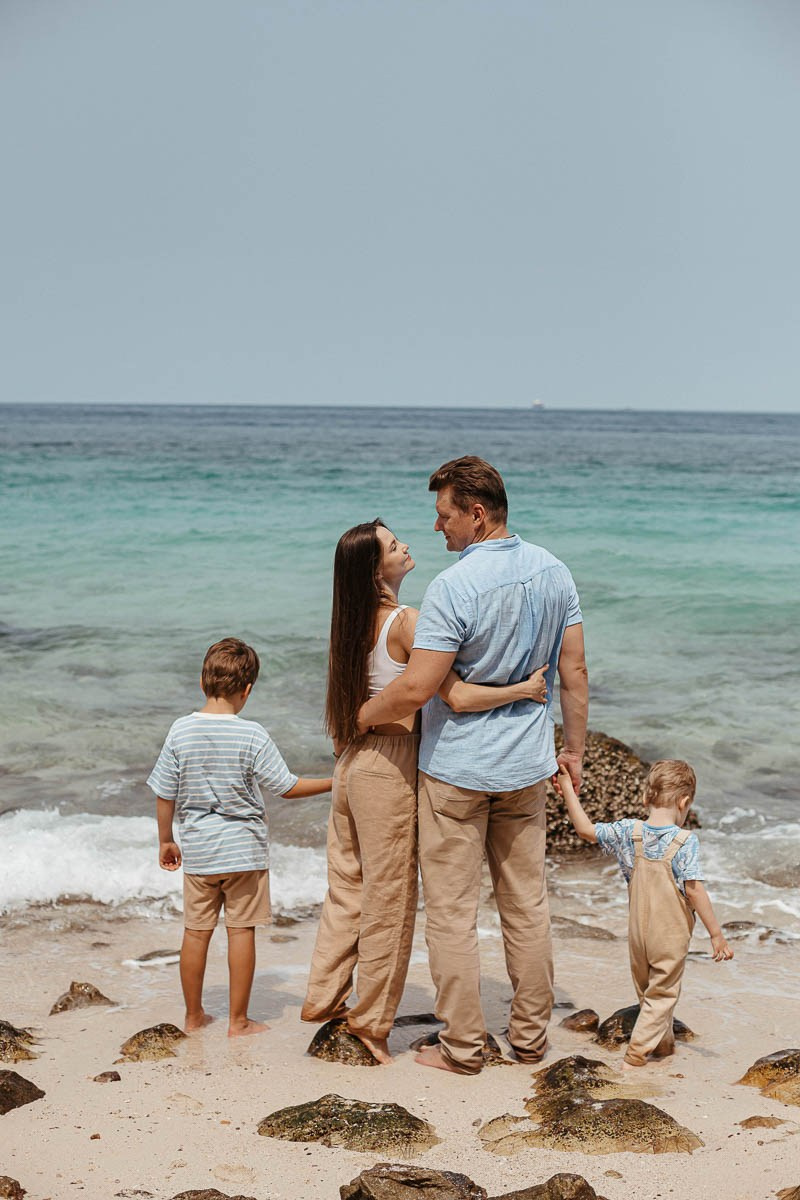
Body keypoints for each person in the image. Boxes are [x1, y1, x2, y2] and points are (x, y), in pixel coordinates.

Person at [356, 456, 589, 1074]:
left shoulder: (453, 587)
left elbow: (417, 689)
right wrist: (574, 752)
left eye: (444, 516)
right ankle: (532, 1039)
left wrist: (357, 717)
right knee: (527, 906)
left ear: (476, 513)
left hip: (457, 771)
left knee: (454, 915)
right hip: (526, 767)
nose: (437, 529)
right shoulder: (555, 571)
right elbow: (575, 675)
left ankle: (462, 1047)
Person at [300, 519, 549, 1064]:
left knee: (348, 888)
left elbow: (357, 705)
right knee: (391, 900)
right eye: (394, 546)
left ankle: (326, 997)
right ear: (375, 569)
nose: (407, 545)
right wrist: (523, 688)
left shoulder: (349, 623)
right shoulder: (406, 622)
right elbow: (451, 694)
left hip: (352, 765)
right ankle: (371, 1023)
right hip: (390, 765)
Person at [148, 637, 332, 1037]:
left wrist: (166, 838)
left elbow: (165, 791)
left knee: (195, 934)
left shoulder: (180, 731)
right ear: (247, 690)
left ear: (202, 682)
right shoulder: (252, 735)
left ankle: (194, 1016)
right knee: (241, 932)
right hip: (243, 852)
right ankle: (238, 1021)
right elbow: (285, 786)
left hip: (199, 851)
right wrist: (335, 782)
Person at [557, 757, 733, 1068]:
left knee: (647, 993)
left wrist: (569, 789)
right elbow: (693, 890)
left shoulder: (629, 831)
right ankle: (636, 1055)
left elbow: (584, 830)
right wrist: (716, 934)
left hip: (637, 932)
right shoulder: (684, 841)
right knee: (662, 995)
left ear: (645, 798)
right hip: (670, 934)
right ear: (684, 801)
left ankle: (663, 1046)